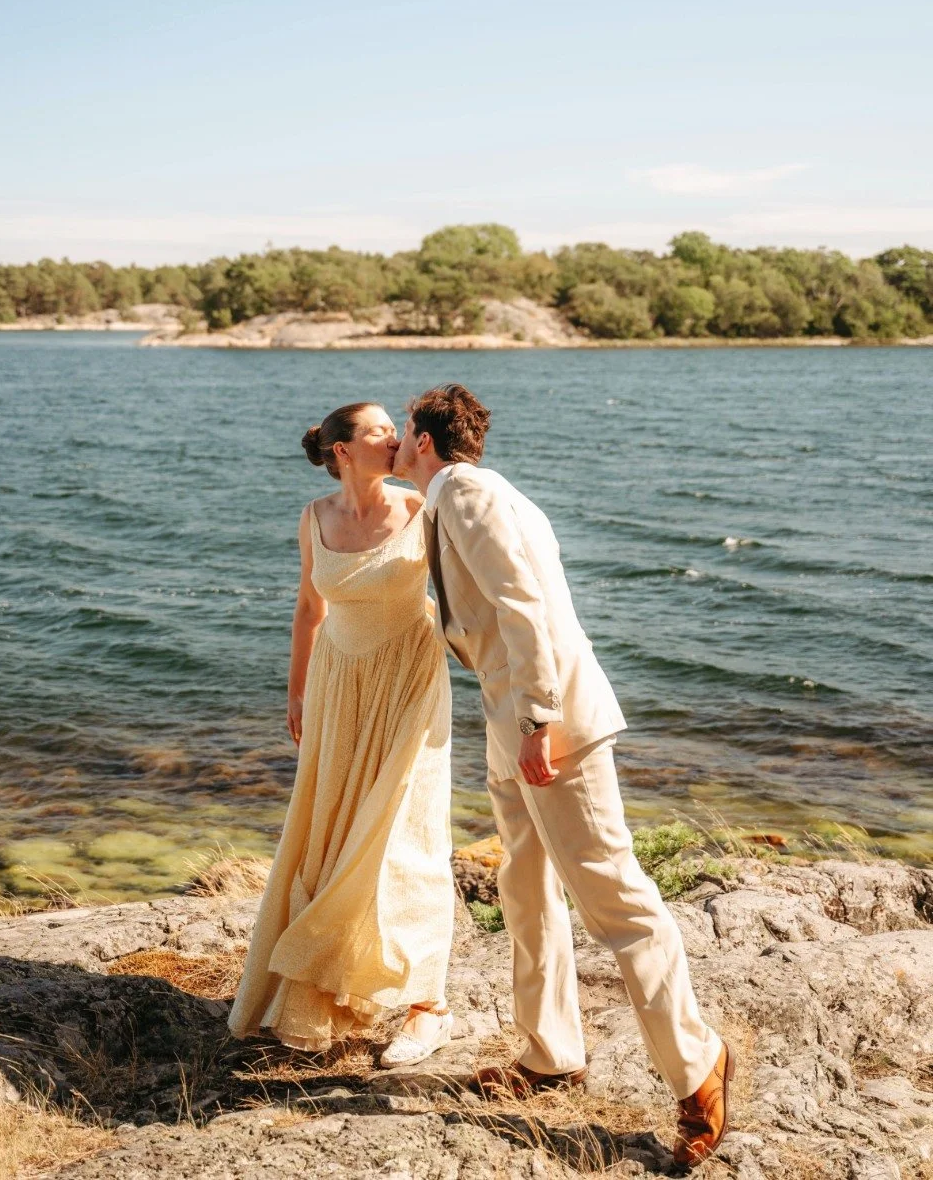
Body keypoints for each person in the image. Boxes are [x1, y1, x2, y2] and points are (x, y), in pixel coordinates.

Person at [391, 384, 733, 1168]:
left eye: (405, 431)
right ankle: (550, 1050)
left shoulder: (469, 493)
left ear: (426, 439)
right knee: (525, 884)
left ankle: (698, 1067)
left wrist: (542, 718)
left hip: (550, 725)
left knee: (616, 899)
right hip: (510, 719)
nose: (400, 444)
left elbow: (526, 606)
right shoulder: (461, 496)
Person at [228, 401, 456, 1068]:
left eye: (396, 428)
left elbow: (467, 590)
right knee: (332, 836)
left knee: (406, 838)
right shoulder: (315, 517)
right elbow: (309, 606)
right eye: (381, 431)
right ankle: (345, 979)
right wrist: (296, 690)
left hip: (409, 682)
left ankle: (428, 1006)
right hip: (337, 685)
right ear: (344, 452)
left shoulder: (421, 511)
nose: (398, 438)